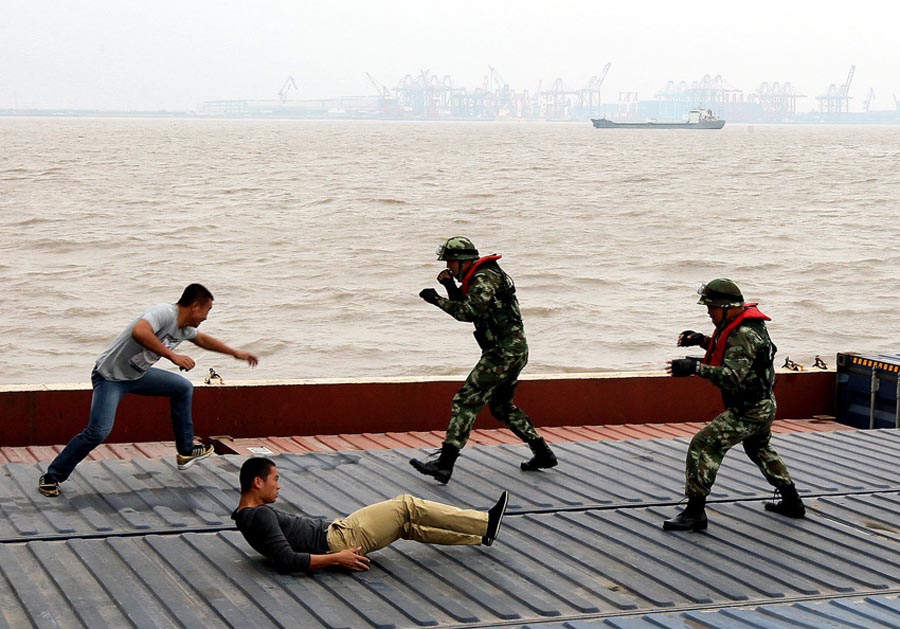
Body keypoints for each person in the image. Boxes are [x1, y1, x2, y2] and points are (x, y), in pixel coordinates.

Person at [38, 284, 259, 497]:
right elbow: (139, 331)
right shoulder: (164, 313)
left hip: (138, 376)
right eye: (207, 310)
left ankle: (185, 451)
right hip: (110, 378)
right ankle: (51, 477)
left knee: (183, 388)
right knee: (98, 431)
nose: (206, 317)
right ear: (195, 306)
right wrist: (172, 356)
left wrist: (235, 353)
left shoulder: (186, 329)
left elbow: (202, 339)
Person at [410, 236, 557, 484]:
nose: (448, 266)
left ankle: (445, 464)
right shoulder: (483, 276)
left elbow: (469, 312)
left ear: (462, 261)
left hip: (502, 353)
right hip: (513, 350)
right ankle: (542, 453)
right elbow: (473, 304)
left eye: (450, 262)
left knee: (466, 400)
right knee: (501, 407)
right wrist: (449, 288)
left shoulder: (484, 278)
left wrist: (437, 300)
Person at [663, 278, 806, 531]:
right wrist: (702, 340)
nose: (708, 313)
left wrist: (694, 367)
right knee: (759, 448)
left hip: (749, 410)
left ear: (727, 307)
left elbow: (732, 374)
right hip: (761, 404)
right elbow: (731, 352)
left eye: (711, 308)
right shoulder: (742, 327)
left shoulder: (744, 333)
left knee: (704, 444)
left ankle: (695, 513)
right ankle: (792, 501)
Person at [232, 457, 509, 574]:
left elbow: (281, 554)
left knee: (407, 528)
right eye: (275, 479)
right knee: (406, 506)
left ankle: (478, 536)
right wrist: (336, 559)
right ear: (258, 482)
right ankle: (485, 522)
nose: (278, 485)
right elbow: (287, 560)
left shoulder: (244, 515)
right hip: (339, 539)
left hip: (337, 535)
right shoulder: (260, 515)